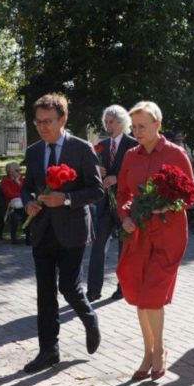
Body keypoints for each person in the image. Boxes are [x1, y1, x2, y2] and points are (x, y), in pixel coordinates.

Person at [20, 94, 103, 373]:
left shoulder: (81, 149)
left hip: (73, 230)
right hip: (42, 229)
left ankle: (89, 317)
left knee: (68, 287)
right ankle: (48, 350)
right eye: (38, 122)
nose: (42, 127)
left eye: (48, 121)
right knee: (44, 293)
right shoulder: (33, 152)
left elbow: (96, 190)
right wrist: (29, 201)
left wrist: (66, 199)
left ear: (63, 119)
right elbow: (27, 186)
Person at [116, 101, 194, 381]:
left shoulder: (176, 154)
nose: (137, 131)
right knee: (140, 295)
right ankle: (148, 351)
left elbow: (191, 194)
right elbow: (125, 193)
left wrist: (169, 207)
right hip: (137, 233)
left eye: (142, 126)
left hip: (168, 235)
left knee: (152, 295)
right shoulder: (130, 156)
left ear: (157, 125)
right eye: (134, 126)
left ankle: (159, 350)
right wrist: (124, 215)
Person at [86, 105, 138, 302]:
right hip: (104, 204)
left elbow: (136, 173)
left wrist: (118, 179)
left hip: (125, 204)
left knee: (124, 247)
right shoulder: (102, 145)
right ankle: (93, 290)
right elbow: (92, 172)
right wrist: (98, 172)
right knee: (98, 246)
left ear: (122, 122)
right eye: (106, 121)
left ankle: (122, 287)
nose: (108, 125)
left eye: (112, 121)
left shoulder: (132, 144)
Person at [0, 162, 27, 244]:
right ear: (11, 172)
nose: (19, 172)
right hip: (12, 208)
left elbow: (26, 191)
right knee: (16, 217)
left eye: (20, 170)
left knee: (29, 212)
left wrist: (18, 183)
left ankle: (28, 236)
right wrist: (20, 195)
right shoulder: (5, 181)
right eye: (17, 170)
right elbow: (9, 194)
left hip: (22, 205)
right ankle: (14, 237)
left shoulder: (21, 179)